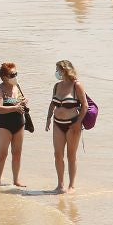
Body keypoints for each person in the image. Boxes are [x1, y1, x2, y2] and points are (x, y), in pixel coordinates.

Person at [44, 60, 88, 194]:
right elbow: (53, 103)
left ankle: (72, 186)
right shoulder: (57, 85)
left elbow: (85, 105)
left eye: (58, 70)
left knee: (71, 155)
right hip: (58, 123)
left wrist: (78, 122)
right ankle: (60, 185)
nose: (56, 73)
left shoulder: (77, 85)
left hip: (72, 124)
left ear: (65, 70)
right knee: (57, 154)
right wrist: (48, 119)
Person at [0, 62, 27, 188]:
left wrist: (23, 102)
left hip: (19, 122)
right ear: (4, 76)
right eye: (12, 74)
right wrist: (15, 107)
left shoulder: (17, 87)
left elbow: (21, 102)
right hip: (4, 124)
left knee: (17, 153)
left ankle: (16, 180)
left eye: (16, 73)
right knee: (3, 154)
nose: (15, 76)